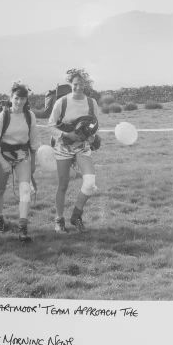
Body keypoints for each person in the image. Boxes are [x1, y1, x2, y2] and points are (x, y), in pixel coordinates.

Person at [48, 68, 99, 233]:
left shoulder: (91, 103)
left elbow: (93, 126)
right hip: (63, 147)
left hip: (82, 148)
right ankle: (59, 219)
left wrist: (92, 136)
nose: (78, 88)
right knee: (63, 185)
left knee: (90, 182)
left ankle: (76, 215)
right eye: (75, 84)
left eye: (81, 84)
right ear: (70, 84)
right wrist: (66, 134)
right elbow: (50, 126)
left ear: (86, 85)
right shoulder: (61, 102)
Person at [0, 81, 39, 243]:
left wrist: (33, 163)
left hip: (22, 156)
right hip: (3, 155)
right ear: (11, 98)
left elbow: (33, 141)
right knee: (0, 189)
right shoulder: (3, 116)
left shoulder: (29, 115)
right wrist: (3, 162)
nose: (20, 102)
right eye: (17, 98)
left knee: (25, 189)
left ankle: (23, 228)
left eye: (23, 99)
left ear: (26, 100)